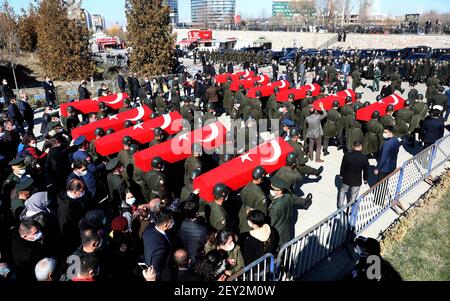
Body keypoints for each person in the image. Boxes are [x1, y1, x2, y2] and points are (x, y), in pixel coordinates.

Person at [143, 208, 175, 281]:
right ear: (166, 225)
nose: (173, 222)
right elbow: (156, 271)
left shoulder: (149, 229)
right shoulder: (160, 248)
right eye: (172, 221)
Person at [338, 141, 369, 209]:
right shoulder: (364, 158)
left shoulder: (347, 155)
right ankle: (350, 208)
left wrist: (341, 175)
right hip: (357, 180)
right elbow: (365, 170)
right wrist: (365, 179)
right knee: (353, 195)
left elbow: (343, 166)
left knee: (342, 191)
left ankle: (340, 207)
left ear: (353, 146)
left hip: (346, 178)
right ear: (361, 147)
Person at [178, 201, 207, 265]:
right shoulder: (202, 229)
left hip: (185, 254)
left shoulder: (182, 223)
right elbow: (204, 242)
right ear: (196, 213)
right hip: (196, 257)